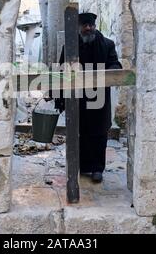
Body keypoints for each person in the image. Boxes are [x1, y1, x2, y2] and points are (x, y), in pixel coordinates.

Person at [51, 12, 122, 183]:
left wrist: (109, 71)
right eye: (84, 25)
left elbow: (115, 64)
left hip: (99, 99)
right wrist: (59, 98)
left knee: (99, 133)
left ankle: (97, 168)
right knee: (78, 132)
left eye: (91, 25)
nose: (88, 28)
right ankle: (80, 166)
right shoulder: (69, 46)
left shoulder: (107, 45)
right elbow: (61, 72)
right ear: (78, 27)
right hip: (77, 99)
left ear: (95, 26)